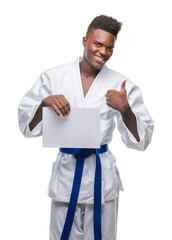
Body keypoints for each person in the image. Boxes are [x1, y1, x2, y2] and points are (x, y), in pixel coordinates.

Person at [18, 15, 154, 240]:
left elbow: (143, 141)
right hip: (66, 177)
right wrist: (44, 103)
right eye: (98, 44)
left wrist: (125, 109)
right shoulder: (54, 77)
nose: (103, 52)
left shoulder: (121, 85)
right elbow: (25, 127)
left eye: (109, 47)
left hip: (101, 179)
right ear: (84, 41)